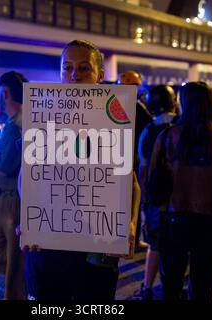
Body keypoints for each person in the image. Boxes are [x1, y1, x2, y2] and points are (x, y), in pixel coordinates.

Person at [22, 39, 140, 300]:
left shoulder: (115, 118)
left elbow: (129, 181)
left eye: (84, 68)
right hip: (48, 244)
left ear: (100, 75)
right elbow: (27, 177)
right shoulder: (42, 114)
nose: (74, 75)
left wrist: (130, 225)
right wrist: (27, 220)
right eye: (68, 67)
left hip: (97, 248)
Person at [150, 82, 212, 300]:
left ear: (182, 103)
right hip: (210, 220)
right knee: (202, 284)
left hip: (173, 220)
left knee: (171, 285)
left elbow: (152, 181)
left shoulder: (166, 136)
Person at [0, 71, 28, 300]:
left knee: (13, 265)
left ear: (5, 94)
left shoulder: (16, 125)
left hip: (14, 199)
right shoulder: (22, 120)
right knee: (6, 256)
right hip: (12, 197)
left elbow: (7, 166)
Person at [137, 85, 179, 300]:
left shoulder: (148, 131)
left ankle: (147, 287)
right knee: (178, 247)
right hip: (181, 198)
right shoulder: (184, 127)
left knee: (155, 245)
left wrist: (144, 200)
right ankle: (174, 287)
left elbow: (143, 169)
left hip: (157, 197)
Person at [118, 70, 153, 251]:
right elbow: (150, 126)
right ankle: (134, 238)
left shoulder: (113, 102)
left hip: (116, 158)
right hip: (133, 159)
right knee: (133, 200)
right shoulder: (137, 107)